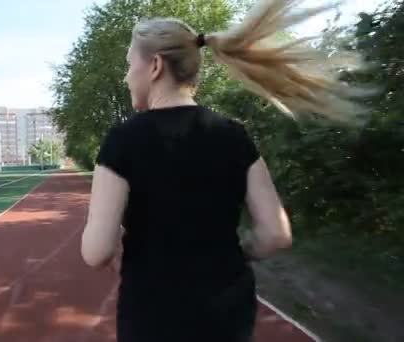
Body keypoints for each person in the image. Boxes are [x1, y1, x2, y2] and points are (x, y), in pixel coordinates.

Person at [81, 0, 373, 341]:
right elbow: (276, 234)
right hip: (228, 309)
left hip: (153, 311)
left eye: (129, 64)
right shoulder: (234, 135)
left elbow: (96, 251)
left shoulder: (122, 140)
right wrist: (234, 253)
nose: (126, 75)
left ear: (155, 65)